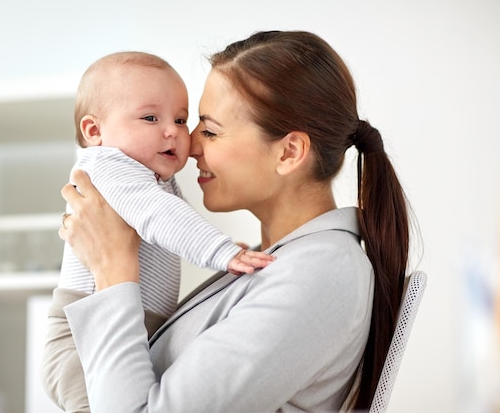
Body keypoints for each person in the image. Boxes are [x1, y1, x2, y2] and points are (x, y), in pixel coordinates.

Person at [58, 30, 413, 412]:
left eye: (208, 130)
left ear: (289, 152)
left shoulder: (320, 272)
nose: (189, 145)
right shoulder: (282, 263)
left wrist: (113, 269)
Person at [42, 51, 274, 413]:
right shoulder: (107, 165)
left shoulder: (149, 177)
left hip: (128, 323)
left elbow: (166, 233)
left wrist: (221, 260)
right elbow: (160, 217)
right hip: (79, 337)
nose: (174, 131)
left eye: (181, 119)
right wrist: (222, 251)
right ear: (94, 131)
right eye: (151, 117)